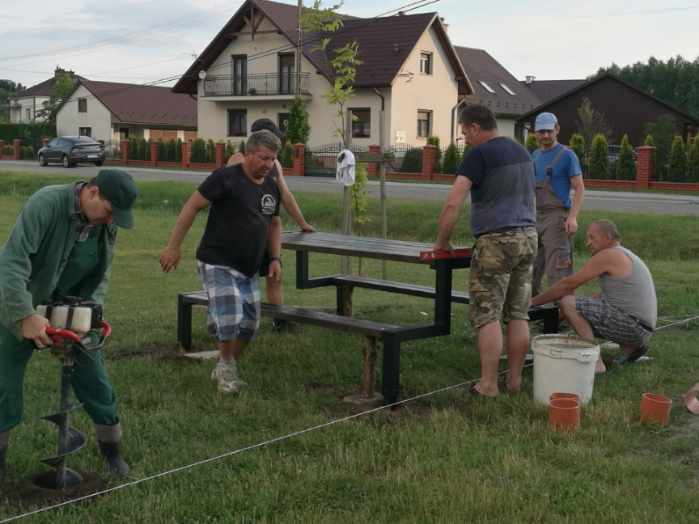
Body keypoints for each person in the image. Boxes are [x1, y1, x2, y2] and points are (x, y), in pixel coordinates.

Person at [0, 169, 138, 481]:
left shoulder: (106, 224)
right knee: (4, 384)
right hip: (16, 303)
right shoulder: (46, 203)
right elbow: (12, 262)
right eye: (109, 211)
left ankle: (112, 451)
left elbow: (102, 274)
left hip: (72, 307)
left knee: (95, 379)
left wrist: (88, 315)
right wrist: (25, 315)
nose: (110, 220)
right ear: (92, 193)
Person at [160, 130, 283, 394]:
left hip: (248, 268)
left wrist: (274, 258)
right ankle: (227, 369)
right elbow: (191, 207)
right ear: (249, 154)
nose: (269, 165)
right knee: (231, 318)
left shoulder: (272, 186)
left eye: (273, 159)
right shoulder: (225, 179)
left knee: (249, 324)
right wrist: (173, 246)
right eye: (264, 158)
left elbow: (274, 223)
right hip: (217, 261)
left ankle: (225, 362)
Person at [434, 105, 537, 398]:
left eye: (465, 132)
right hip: (529, 237)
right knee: (518, 313)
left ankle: (489, 385)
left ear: (476, 128)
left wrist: (441, 243)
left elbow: (453, 202)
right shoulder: (522, 152)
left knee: (487, 313)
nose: (465, 138)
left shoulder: (479, 155)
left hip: (496, 241)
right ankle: (515, 382)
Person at [531, 219, 657, 373]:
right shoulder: (624, 253)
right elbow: (604, 299)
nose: (588, 243)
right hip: (643, 330)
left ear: (608, 237)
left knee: (569, 303)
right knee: (589, 301)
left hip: (634, 327)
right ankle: (630, 348)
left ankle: (596, 362)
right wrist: (560, 317)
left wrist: (532, 302)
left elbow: (567, 285)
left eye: (592, 237)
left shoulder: (609, 255)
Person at [227, 118, 313, 330]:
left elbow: (285, 195)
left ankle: (280, 321)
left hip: (267, 231)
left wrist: (303, 223)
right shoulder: (237, 160)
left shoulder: (275, 164)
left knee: (275, 276)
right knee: (241, 279)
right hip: (242, 234)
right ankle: (234, 323)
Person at [531, 112, 585, 296]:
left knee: (558, 270)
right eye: (541, 131)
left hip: (557, 218)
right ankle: (533, 312)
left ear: (557, 130)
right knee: (530, 268)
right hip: (535, 216)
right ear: (535, 133)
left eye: (549, 131)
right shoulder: (535, 155)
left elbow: (579, 188)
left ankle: (561, 318)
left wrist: (572, 217)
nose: (545, 135)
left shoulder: (567, 155)